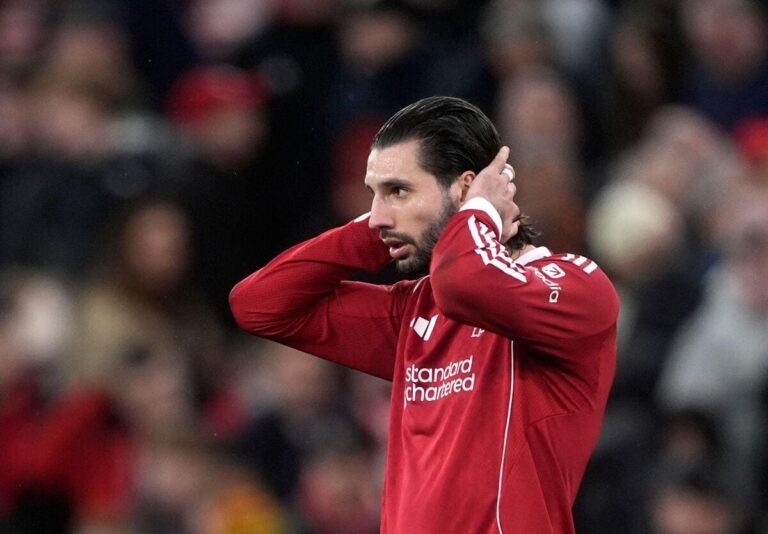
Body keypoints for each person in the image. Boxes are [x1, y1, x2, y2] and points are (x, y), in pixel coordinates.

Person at [230, 96, 619, 533]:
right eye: (374, 195)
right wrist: (379, 233)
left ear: (467, 188)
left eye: (398, 191)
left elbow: (465, 284)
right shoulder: (415, 311)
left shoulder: (577, 288)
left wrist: (476, 214)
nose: (376, 216)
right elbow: (261, 305)